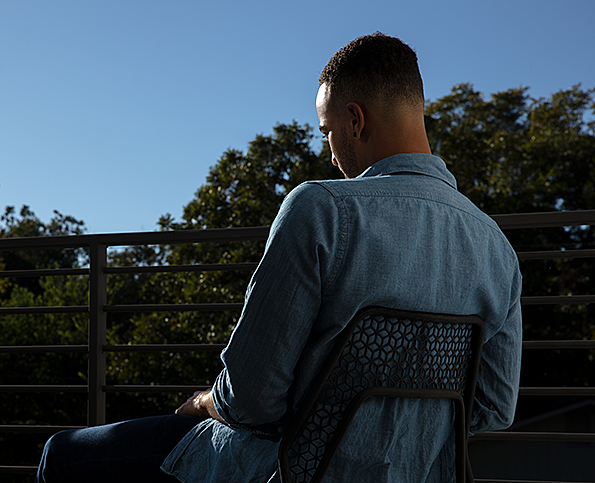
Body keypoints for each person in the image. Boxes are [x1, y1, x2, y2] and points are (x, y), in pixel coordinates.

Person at [36, 32, 522, 483]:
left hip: (284, 468)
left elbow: (251, 400)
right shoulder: (496, 247)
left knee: (61, 455)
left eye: (327, 131)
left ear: (356, 120)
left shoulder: (321, 210)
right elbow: (494, 409)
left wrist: (205, 401)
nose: (330, 154)